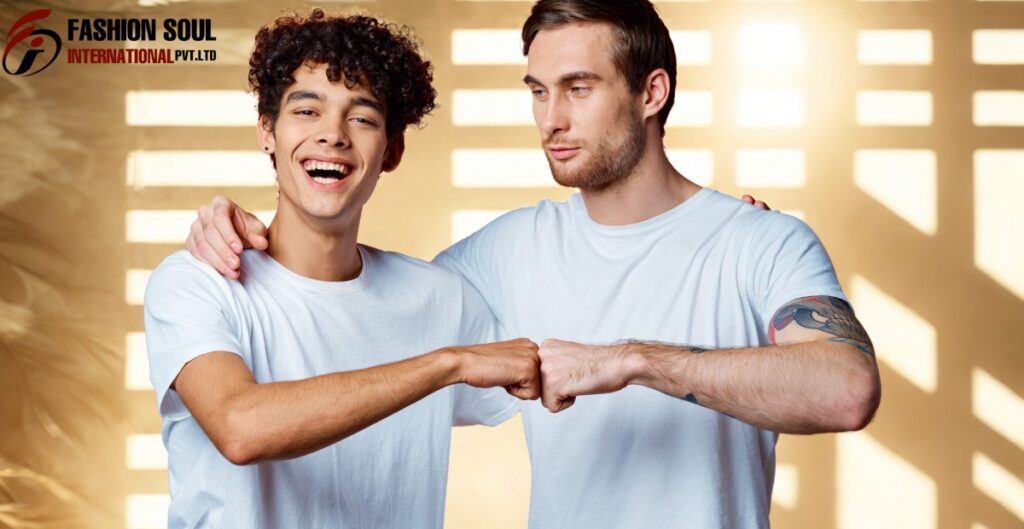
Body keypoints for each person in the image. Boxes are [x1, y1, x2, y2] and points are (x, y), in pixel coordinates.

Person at [186, 1, 882, 527]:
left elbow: (847, 389)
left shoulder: (760, 242)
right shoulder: (505, 253)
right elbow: (340, 324)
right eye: (538, 90)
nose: (550, 118)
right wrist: (258, 233)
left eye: (578, 87)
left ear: (652, 93)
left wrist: (632, 359)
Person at [144, 10, 544, 529]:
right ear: (267, 131)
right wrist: (446, 364)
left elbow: (553, 379)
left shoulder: (441, 298)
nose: (332, 134)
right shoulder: (198, 283)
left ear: (392, 151)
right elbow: (240, 428)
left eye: (362, 117)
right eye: (307, 111)